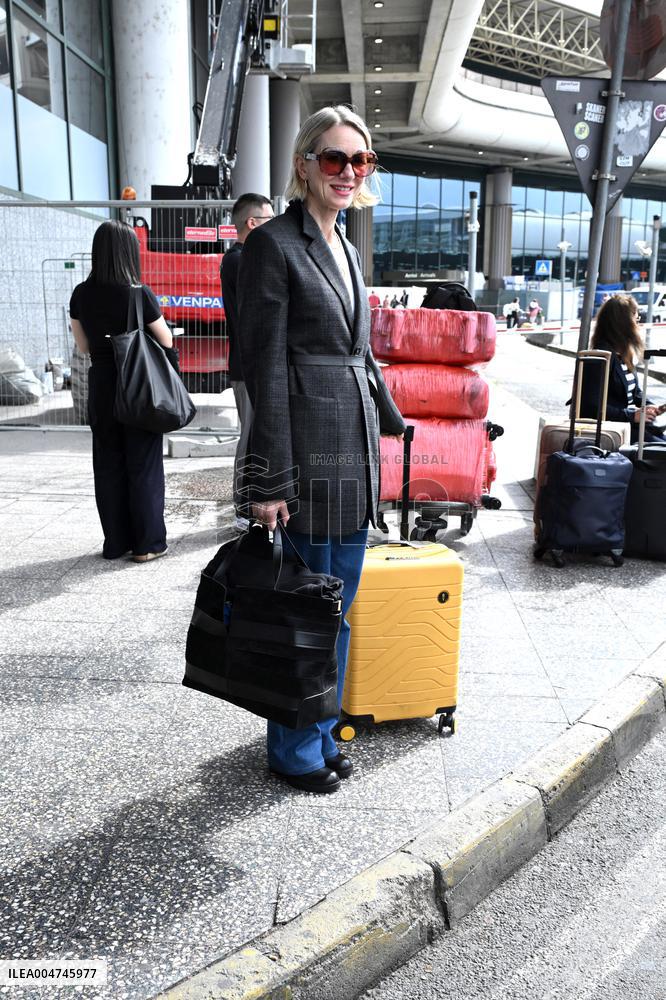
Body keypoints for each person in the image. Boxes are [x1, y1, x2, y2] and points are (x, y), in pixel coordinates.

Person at [238, 105, 405, 795]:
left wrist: (388, 420)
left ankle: (320, 726)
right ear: (304, 163)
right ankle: (293, 748)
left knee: (336, 604)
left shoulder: (345, 245)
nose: (347, 172)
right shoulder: (273, 244)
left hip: (351, 448)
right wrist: (268, 481)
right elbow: (263, 367)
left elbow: (357, 352)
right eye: (334, 158)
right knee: (305, 612)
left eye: (359, 161)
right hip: (306, 453)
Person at [69, 220, 175, 561]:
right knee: (143, 465)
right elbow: (166, 339)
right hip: (138, 388)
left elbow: (83, 347)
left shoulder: (80, 294)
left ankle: (116, 543)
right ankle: (147, 545)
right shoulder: (138, 293)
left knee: (109, 465)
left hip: (102, 387)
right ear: (129, 253)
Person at [220, 193, 274, 523]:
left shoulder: (238, 258)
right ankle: (242, 507)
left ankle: (247, 505)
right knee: (250, 435)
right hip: (247, 366)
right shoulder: (240, 260)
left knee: (253, 433)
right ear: (252, 223)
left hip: (249, 364)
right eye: (269, 219)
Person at [580, 293, 666, 444]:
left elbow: (634, 391)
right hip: (609, 432)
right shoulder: (601, 356)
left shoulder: (623, 354)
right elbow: (590, 406)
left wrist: (648, 405)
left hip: (624, 426)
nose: (637, 324)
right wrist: (632, 416)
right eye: (636, 318)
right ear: (623, 323)